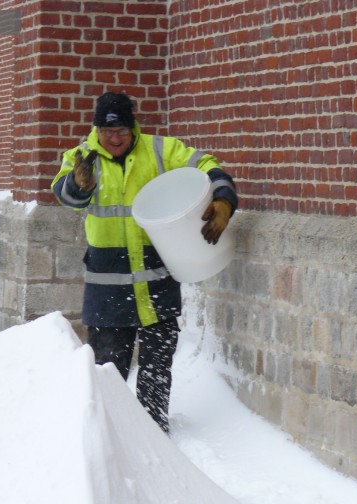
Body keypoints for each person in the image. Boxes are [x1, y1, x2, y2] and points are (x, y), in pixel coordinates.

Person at [51, 91, 238, 433]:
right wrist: (80, 185)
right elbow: (65, 196)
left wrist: (224, 198)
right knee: (107, 371)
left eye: (122, 131)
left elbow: (206, 164)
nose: (115, 139)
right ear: (96, 130)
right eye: (108, 133)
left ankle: (153, 434)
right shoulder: (81, 158)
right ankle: (110, 435)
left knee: (156, 368)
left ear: (133, 127)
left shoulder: (160, 150)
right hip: (108, 290)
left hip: (157, 284)